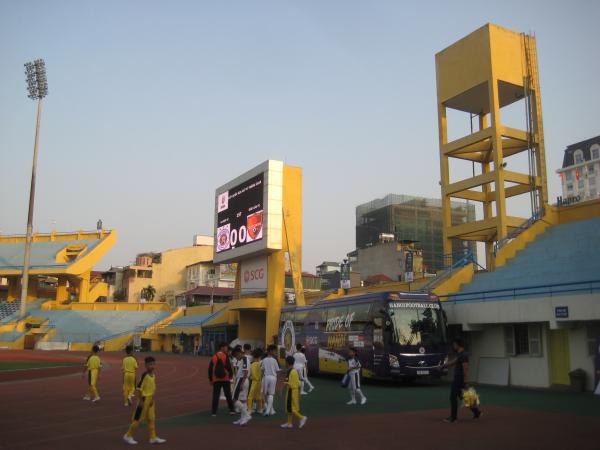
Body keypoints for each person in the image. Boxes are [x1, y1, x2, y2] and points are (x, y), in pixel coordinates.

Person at [123, 356, 166, 445]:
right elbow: (138, 389)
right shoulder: (145, 375)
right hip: (143, 400)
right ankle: (128, 435)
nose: (152, 366)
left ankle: (153, 437)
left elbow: (152, 388)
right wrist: (141, 401)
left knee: (151, 419)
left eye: (153, 364)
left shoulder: (153, 375)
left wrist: (152, 399)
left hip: (150, 400)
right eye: (150, 364)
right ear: (146, 365)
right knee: (137, 419)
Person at [441, 337, 481, 423]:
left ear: (457, 345)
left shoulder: (463, 355)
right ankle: (476, 412)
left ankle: (453, 418)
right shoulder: (460, 354)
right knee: (464, 397)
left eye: (454, 345)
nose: (453, 346)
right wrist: (443, 366)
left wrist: (466, 382)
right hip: (459, 379)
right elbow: (453, 362)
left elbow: (465, 369)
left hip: (459, 379)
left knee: (452, 397)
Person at [208, 342, 236, 416]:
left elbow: (210, 368)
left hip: (216, 379)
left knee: (216, 395)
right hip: (225, 379)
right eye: (226, 347)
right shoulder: (225, 356)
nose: (227, 349)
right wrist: (230, 377)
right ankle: (232, 410)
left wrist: (211, 379)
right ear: (222, 348)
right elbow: (229, 367)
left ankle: (214, 412)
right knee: (228, 395)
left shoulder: (214, 356)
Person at [281, 356, 308, 429]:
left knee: (291, 408)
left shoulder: (290, 371)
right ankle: (289, 423)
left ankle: (302, 417)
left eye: (285, 362)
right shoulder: (294, 370)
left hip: (291, 391)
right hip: (294, 390)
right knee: (290, 408)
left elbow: (286, 383)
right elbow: (299, 382)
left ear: (287, 363)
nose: (285, 364)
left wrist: (281, 391)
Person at [232, 347, 252, 426]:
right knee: (243, 400)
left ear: (239, 353)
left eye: (236, 356)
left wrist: (241, 383)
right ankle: (243, 418)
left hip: (242, 380)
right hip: (244, 380)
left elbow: (246, 372)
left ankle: (247, 415)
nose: (236, 358)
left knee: (234, 399)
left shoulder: (244, 359)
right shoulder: (244, 359)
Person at [261, 344, 280, 416]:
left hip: (266, 377)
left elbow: (262, 370)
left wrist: (261, 379)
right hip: (273, 377)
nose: (275, 352)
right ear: (271, 351)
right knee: (271, 394)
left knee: (266, 394)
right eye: (274, 351)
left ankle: (270, 410)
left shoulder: (264, 360)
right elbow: (277, 371)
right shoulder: (274, 360)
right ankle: (269, 410)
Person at [247, 348, 264, 414]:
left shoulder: (252, 364)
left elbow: (249, 374)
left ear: (254, 356)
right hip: (260, 381)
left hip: (254, 382)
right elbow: (263, 373)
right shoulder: (261, 364)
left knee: (250, 396)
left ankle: (250, 409)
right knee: (260, 396)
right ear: (260, 356)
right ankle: (260, 409)